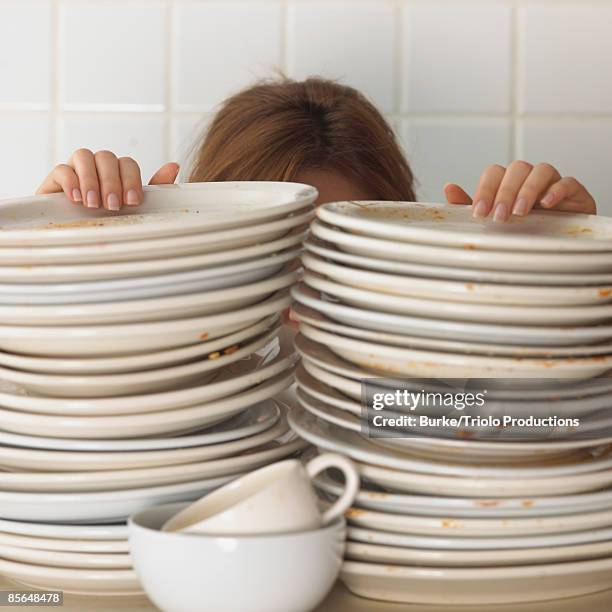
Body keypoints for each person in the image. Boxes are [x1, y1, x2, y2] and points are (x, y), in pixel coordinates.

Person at [36, 78, 597, 221]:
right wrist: (67, 270)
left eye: (333, 243)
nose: (304, 284)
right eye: (277, 239)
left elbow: (548, 426)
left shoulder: (411, 394)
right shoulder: (162, 357)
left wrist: (552, 290)